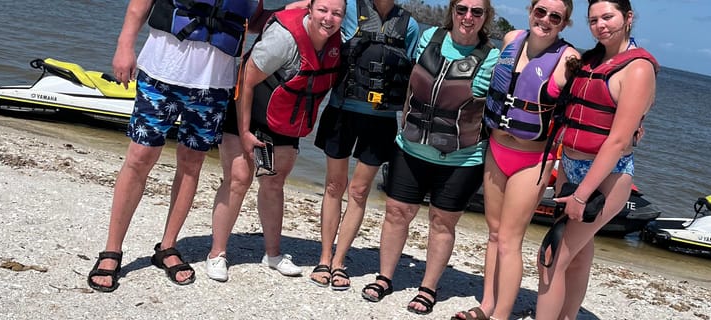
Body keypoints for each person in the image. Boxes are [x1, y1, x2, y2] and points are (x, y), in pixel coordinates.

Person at [86, 0, 267, 292]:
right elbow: (139, 5)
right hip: (160, 74)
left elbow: (253, 20)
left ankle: (167, 247)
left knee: (192, 164)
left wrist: (298, 10)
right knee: (139, 158)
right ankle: (112, 251)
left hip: (214, 85)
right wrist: (125, 45)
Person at [359, 0, 500, 315]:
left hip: (461, 159)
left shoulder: (492, 58)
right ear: (452, 10)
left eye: (476, 12)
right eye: (462, 9)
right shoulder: (428, 38)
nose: (467, 17)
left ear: (486, 16)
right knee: (396, 213)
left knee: (442, 222)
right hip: (410, 148)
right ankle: (384, 277)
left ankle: (428, 288)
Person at [452, 0, 580, 318]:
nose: (546, 20)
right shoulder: (512, 41)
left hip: (533, 159)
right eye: (541, 12)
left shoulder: (569, 58)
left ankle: (500, 315)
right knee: (494, 234)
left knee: (510, 239)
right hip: (497, 149)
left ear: (564, 23)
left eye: (555, 17)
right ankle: (486, 305)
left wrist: (634, 125)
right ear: (530, 11)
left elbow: (590, 99)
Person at [203, 0, 345, 282]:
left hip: (284, 118)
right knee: (238, 178)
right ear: (310, 10)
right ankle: (216, 253)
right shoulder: (285, 38)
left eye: (337, 13)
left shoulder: (336, 41)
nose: (329, 18)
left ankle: (273, 253)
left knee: (274, 182)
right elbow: (246, 79)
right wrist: (244, 132)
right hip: (248, 107)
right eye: (322, 10)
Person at [534, 0, 659, 319]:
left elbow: (618, 140)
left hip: (606, 177)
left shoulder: (638, 68)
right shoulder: (590, 61)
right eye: (593, 20)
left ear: (628, 18)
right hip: (571, 167)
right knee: (576, 254)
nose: (600, 25)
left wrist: (581, 194)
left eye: (608, 17)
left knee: (551, 257)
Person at [309, 0, 420, 291]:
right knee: (335, 186)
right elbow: (315, 25)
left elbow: (413, 79)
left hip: (381, 120)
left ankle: (339, 261)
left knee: (359, 191)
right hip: (342, 112)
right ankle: (324, 256)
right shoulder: (348, 12)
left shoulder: (409, 25)